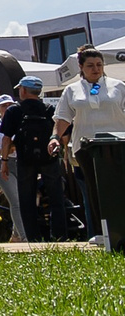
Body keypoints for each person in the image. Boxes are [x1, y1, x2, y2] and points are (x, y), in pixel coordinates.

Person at [54, 48, 125, 250]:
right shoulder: (72, 90)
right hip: (87, 147)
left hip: (118, 144)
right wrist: (54, 138)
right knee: (94, 189)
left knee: (119, 188)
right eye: (90, 66)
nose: (95, 69)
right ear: (81, 67)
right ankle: (102, 231)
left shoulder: (118, 86)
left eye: (99, 65)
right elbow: (63, 118)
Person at [1, 76, 64, 242]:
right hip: (49, 158)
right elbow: (61, 133)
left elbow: (6, 138)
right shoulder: (50, 109)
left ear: (22, 90)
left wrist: (4, 161)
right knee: (56, 198)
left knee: (26, 200)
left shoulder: (14, 111)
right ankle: (59, 236)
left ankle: (32, 238)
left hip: (25, 159)